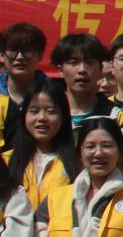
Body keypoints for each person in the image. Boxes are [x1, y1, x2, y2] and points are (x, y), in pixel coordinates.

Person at [7, 78, 77, 207]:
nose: (42, 118)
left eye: (51, 111)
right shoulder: (5, 161)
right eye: (34, 111)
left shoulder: (78, 162)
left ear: (63, 117)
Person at [51, 33, 123, 130]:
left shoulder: (117, 117)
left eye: (89, 62)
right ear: (60, 70)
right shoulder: (47, 113)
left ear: (100, 69)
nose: (82, 70)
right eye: (73, 63)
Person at [0, 22, 48, 139]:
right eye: (13, 50)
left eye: (27, 51)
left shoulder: (53, 95)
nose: (20, 57)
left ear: (40, 55)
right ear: (1, 55)